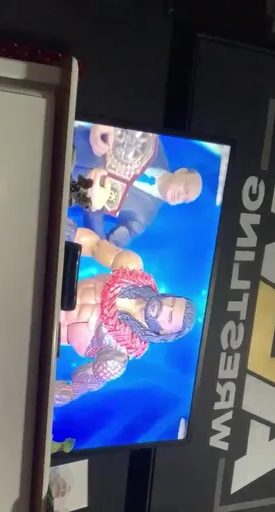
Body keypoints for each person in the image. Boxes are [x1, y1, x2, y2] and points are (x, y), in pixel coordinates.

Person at [55, 220, 195, 406]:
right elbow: (94, 246)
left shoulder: (117, 353)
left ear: (164, 332)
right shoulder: (130, 269)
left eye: (169, 317)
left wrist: (63, 392)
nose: (166, 308)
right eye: (171, 303)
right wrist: (64, 233)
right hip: (44, 278)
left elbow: (77, 387)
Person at [73, 123, 203, 248]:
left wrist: (93, 207)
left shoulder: (143, 218)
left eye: (185, 200)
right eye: (185, 189)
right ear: (181, 171)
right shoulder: (151, 142)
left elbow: (102, 246)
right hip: (70, 138)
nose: (181, 196)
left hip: (67, 189)